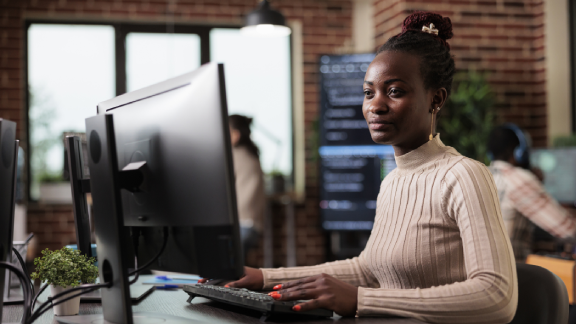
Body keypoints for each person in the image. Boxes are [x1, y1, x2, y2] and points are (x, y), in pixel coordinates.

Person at [203, 12, 517, 323]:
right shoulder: (392, 181)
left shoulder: (464, 175)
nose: (375, 105)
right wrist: (262, 277)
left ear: (436, 99)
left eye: (394, 91)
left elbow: (496, 296)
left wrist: (360, 299)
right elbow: (366, 269)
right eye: (369, 92)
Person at [488, 124, 576, 262]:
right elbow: (568, 230)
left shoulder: (483, 176)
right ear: (519, 152)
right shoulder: (519, 179)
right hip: (511, 274)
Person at [229, 115, 266, 257]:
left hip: (240, 225)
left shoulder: (234, 156)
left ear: (235, 135)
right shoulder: (252, 155)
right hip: (252, 225)